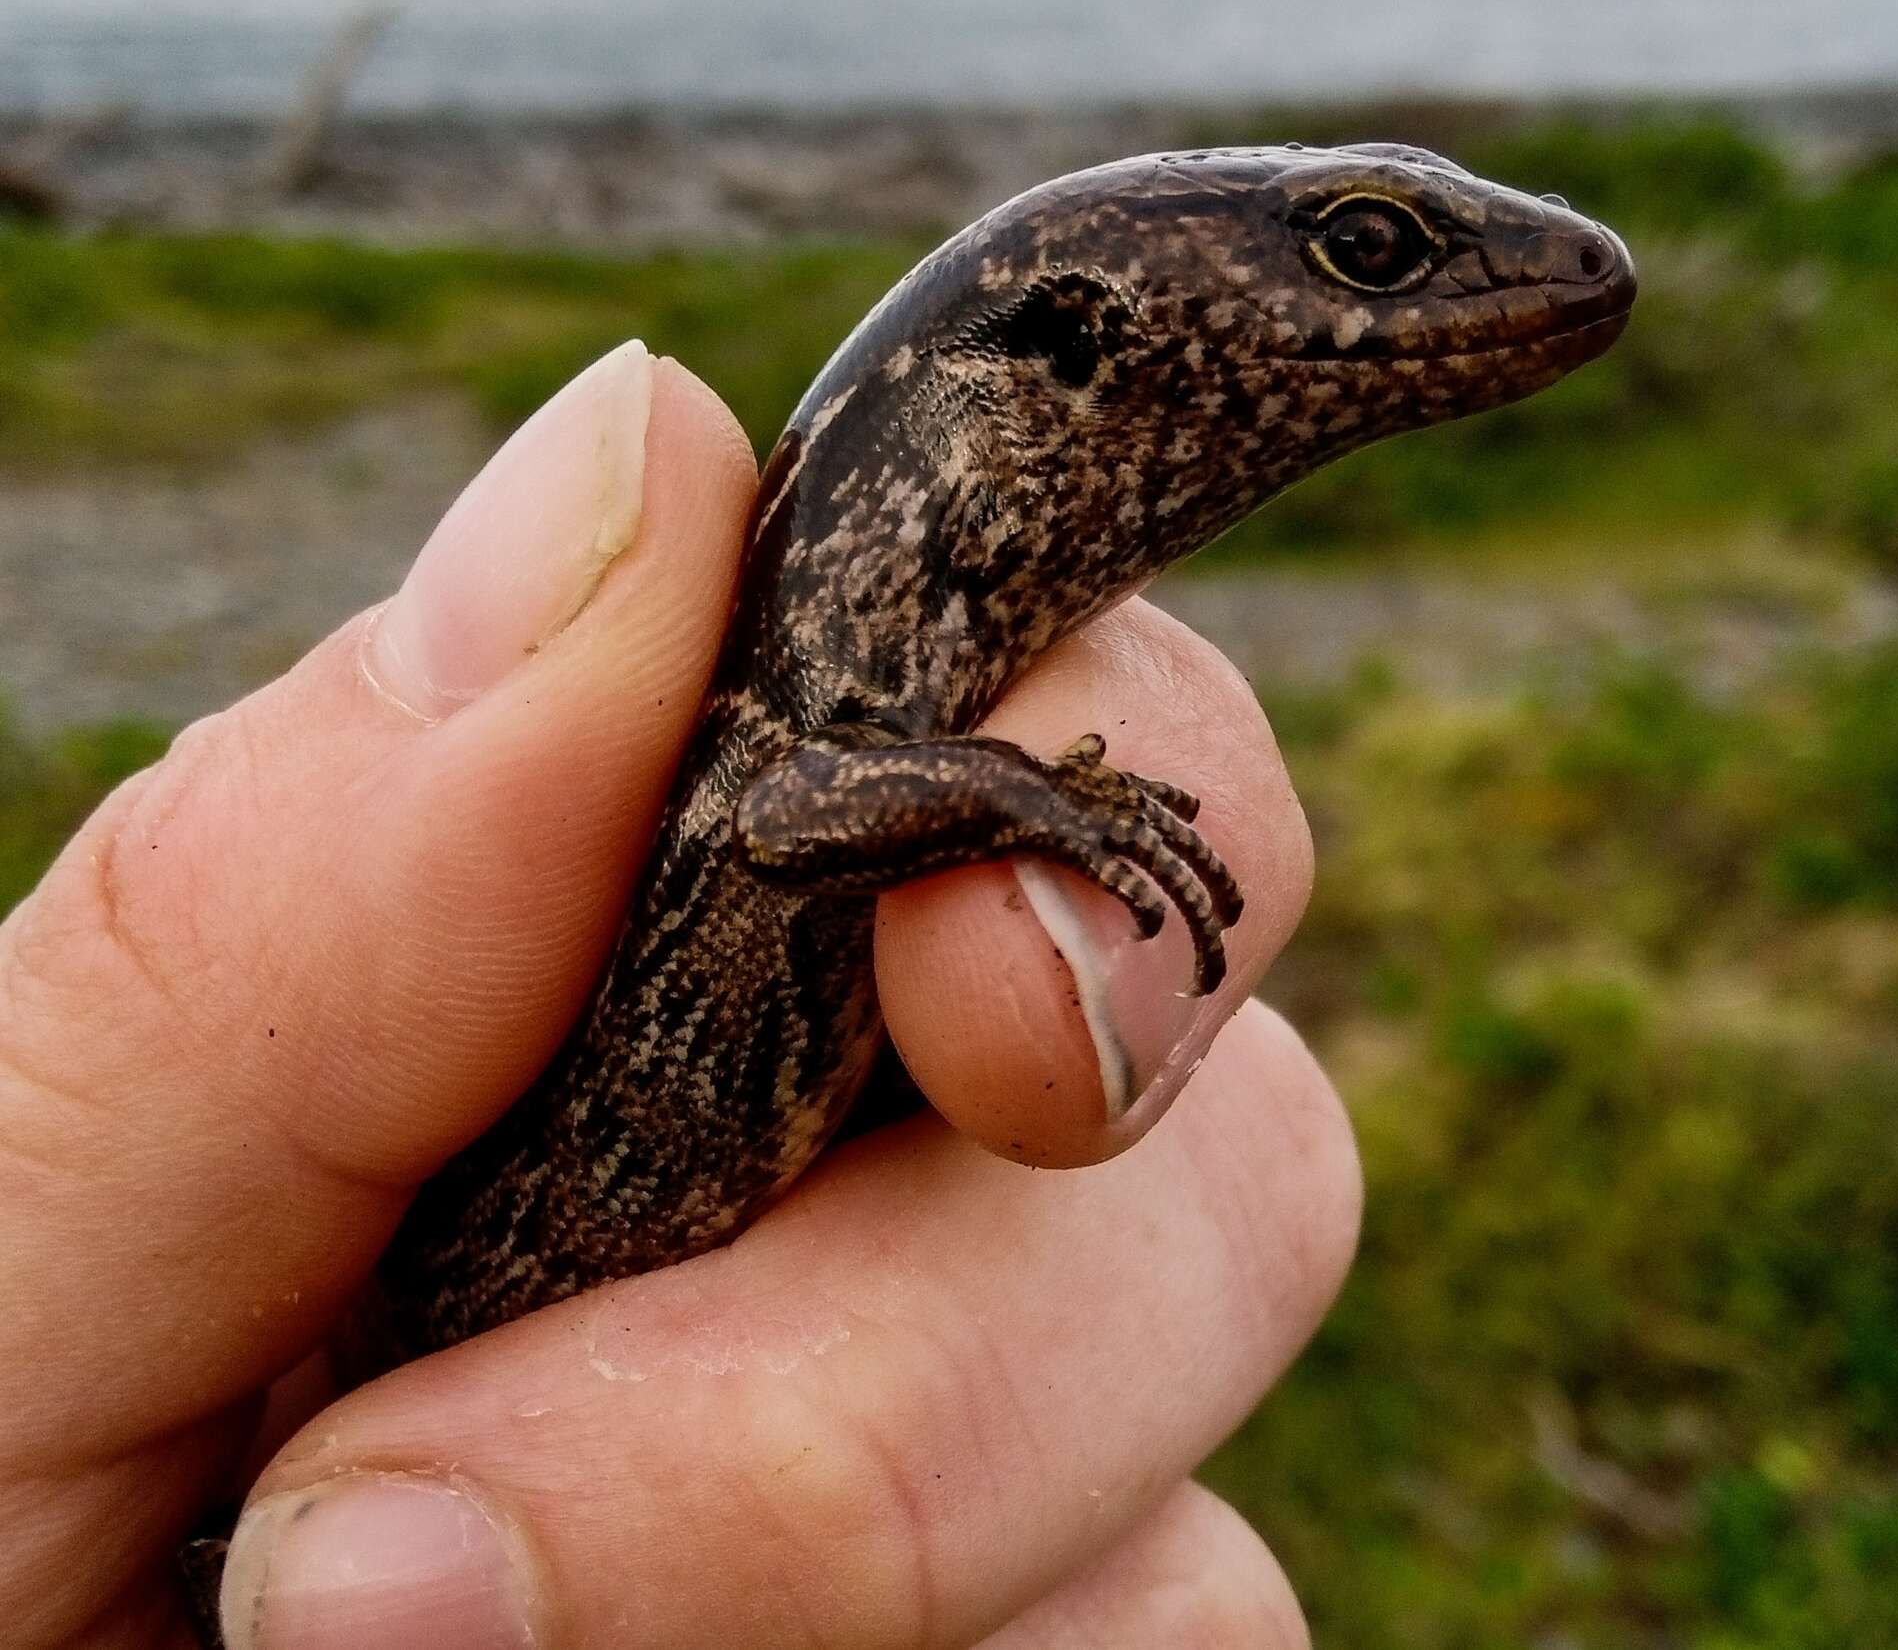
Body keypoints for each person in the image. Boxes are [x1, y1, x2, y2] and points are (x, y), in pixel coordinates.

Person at [0, 345, 1360, 1648]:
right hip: (399, 1385)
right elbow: (785, 809)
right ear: (1075, 346)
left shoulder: (886, 653)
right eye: (1366, 249)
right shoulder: (822, 694)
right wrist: (1035, 795)